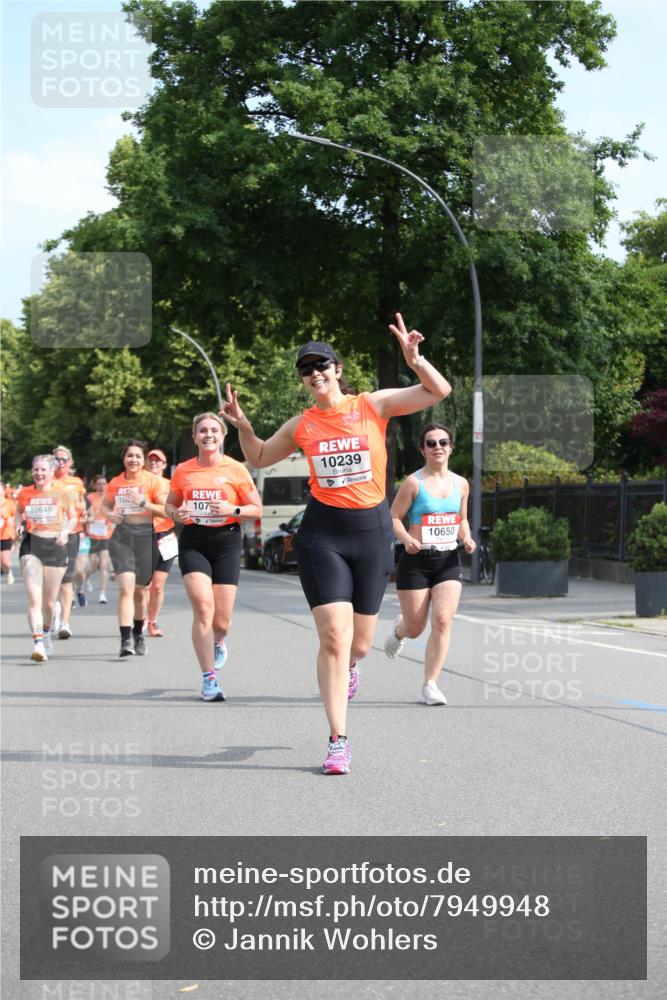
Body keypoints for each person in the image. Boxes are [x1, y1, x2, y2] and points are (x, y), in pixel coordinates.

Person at [222, 313, 451, 775]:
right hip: (323, 533)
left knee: (359, 645)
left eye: (322, 365)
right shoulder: (302, 425)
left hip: (370, 532)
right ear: (303, 380)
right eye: (306, 369)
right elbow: (261, 456)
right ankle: (337, 741)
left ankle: (350, 669)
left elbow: (437, 392)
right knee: (332, 635)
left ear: (338, 369)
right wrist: (244, 427)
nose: (315, 374)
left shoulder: (372, 406)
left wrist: (415, 359)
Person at [164, 412, 262, 701]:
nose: (208, 434)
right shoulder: (183, 470)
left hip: (227, 542)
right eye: (202, 430)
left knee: (222, 621)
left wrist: (233, 510)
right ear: (194, 437)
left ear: (222, 436)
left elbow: (256, 508)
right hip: (194, 540)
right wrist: (176, 514)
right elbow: (170, 505)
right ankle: (209, 679)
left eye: (214, 430)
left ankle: (218, 639)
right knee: (203, 608)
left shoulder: (236, 469)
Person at [383, 423, 475, 704]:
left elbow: (461, 519)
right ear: (423, 449)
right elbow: (393, 517)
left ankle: (430, 685)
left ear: (451, 448)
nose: (438, 447)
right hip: (416, 561)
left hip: (447, 560)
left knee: (443, 621)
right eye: (432, 443)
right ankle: (400, 629)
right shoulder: (414, 483)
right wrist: (405, 539)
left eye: (443, 442)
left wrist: (467, 537)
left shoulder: (461, 483)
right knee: (415, 628)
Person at [102, 440, 168, 657]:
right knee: (125, 589)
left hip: (146, 538)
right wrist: (109, 515)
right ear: (124, 458)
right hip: (122, 537)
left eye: (138, 456)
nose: (133, 460)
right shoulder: (115, 482)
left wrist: (143, 504)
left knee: (141, 592)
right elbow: (106, 506)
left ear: (144, 460)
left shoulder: (152, 481)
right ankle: (125, 640)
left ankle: (139, 633)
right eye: (129, 456)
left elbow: (166, 510)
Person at [15, 455, 77, 661]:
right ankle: (38, 642)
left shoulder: (63, 492)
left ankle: (48, 630)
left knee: (49, 603)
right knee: (34, 598)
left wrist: (65, 532)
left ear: (51, 472)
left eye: (43, 470)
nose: (39, 474)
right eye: (36, 470)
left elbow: (73, 517)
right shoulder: (25, 493)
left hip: (55, 546)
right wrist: (17, 525)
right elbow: (18, 511)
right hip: (31, 544)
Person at [51, 445, 86, 639]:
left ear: (70, 462)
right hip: (49, 534)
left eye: (64, 459)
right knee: (51, 578)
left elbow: (82, 503)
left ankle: (65, 622)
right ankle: (54, 607)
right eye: (57, 459)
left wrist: (73, 506)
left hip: (71, 532)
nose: (61, 463)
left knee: (66, 578)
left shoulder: (76, 482)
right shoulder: (46, 481)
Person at [145, 448, 178, 637]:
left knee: (157, 586)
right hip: (143, 534)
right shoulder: (139, 484)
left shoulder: (171, 485)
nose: (154, 463)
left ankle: (153, 621)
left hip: (165, 535)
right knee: (144, 585)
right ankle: (139, 619)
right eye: (151, 460)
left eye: (158, 461)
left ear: (165, 465)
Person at [81, 474, 114, 603]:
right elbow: (84, 514)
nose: (101, 486)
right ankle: (85, 578)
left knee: (104, 564)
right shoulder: (89, 498)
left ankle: (102, 593)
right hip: (92, 535)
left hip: (106, 536)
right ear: (94, 485)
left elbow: (115, 515)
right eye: (99, 484)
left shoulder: (111, 499)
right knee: (93, 565)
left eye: (103, 484)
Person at [0, 482, 17, 584]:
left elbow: (17, 516)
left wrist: (12, 519)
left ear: (3, 490)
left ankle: (8, 572)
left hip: (6, 535)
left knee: (5, 561)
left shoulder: (9, 503)